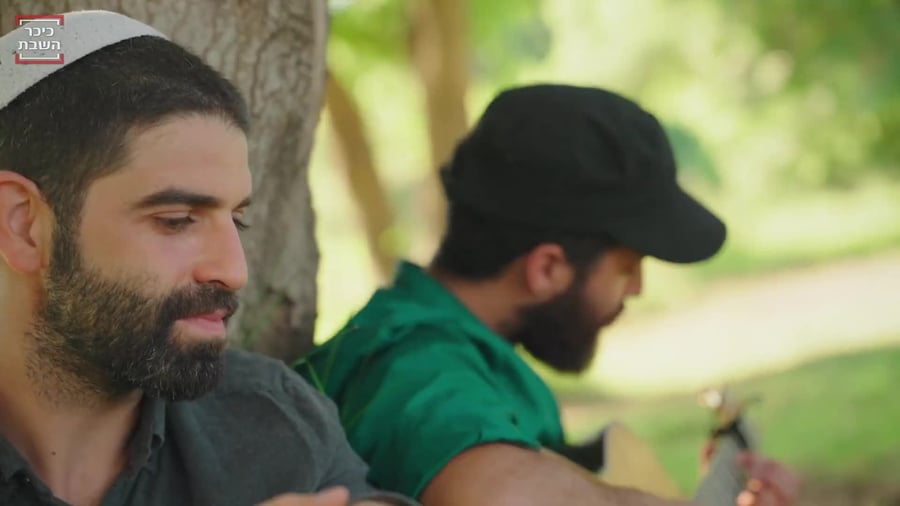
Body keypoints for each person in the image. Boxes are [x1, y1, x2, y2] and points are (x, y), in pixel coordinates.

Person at [296, 84, 801, 506]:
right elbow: (499, 495)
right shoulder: (411, 365)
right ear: (547, 269)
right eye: (628, 267)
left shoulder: (463, 353)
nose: (638, 288)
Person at [0, 10, 416, 506]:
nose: (233, 271)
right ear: (23, 225)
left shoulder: (274, 424)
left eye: (237, 220)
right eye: (176, 220)